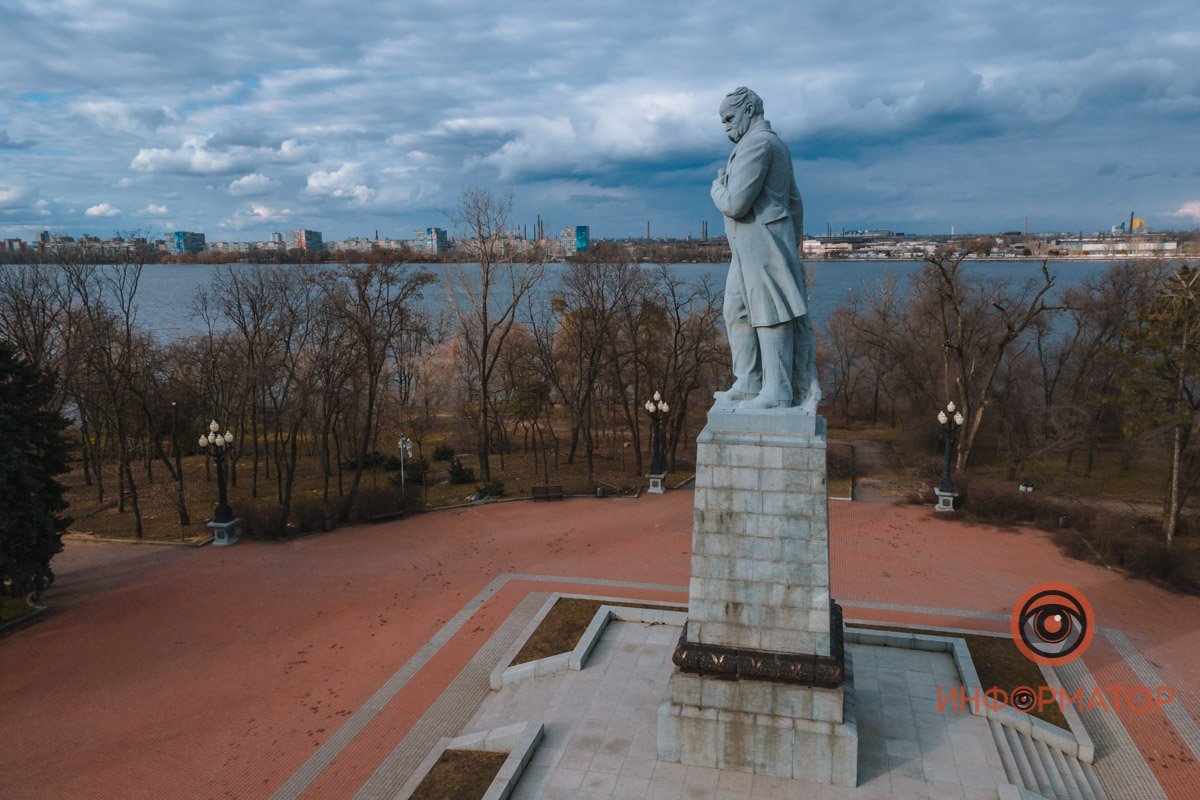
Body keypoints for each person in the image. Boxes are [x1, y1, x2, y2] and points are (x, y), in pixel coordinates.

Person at [711, 86, 819, 412]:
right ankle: (749, 381)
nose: (727, 127)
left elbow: (736, 203)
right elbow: (796, 204)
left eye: (729, 119)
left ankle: (777, 391)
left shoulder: (759, 144)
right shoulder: (772, 145)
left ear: (749, 110)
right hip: (750, 249)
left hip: (763, 245)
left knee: (769, 314)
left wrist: (717, 188)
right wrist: (792, 243)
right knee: (738, 311)